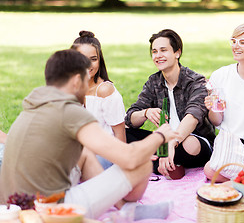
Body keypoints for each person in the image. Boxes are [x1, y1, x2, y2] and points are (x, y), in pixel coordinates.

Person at [0, 49, 178, 220]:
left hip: (12, 206)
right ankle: (127, 208)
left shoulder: (34, 105)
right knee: (142, 163)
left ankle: (124, 208)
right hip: (45, 212)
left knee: (84, 152)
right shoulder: (69, 111)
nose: (87, 87)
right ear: (77, 81)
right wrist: (160, 136)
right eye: (86, 81)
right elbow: (130, 158)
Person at [125, 29, 215, 179]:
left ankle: (152, 162)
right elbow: (130, 117)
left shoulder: (195, 81)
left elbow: (193, 115)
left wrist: (171, 143)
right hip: (165, 140)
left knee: (190, 143)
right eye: (154, 51)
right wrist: (145, 112)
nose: (158, 55)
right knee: (123, 133)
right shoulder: (154, 82)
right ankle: (170, 164)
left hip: (193, 141)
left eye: (163, 50)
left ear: (177, 53)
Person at [203, 23, 244, 182]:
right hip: (229, 143)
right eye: (234, 41)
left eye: (243, 42)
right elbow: (216, 121)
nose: (236, 46)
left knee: (215, 171)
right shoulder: (221, 75)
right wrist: (213, 107)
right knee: (209, 170)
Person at [71, 30, 126, 169]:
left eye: (93, 59)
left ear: (99, 60)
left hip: (104, 155)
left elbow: (120, 134)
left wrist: (122, 167)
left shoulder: (104, 90)